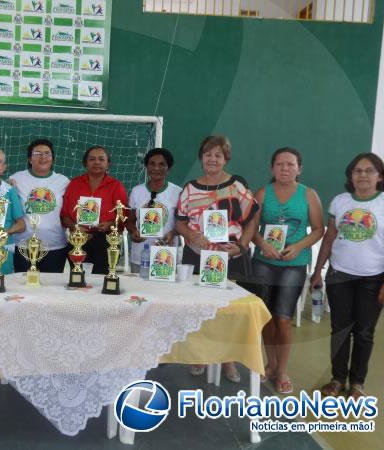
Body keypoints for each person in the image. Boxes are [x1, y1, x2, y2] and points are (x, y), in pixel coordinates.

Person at [175, 135, 259, 383]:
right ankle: (201, 355)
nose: (212, 159)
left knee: (228, 311)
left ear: (226, 159)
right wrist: (192, 234)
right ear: (201, 157)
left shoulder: (236, 187)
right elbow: (179, 221)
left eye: (218, 155)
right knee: (200, 307)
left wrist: (242, 245)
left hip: (228, 257)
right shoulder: (189, 189)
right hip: (197, 255)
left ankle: (227, 359)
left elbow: (254, 215)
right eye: (208, 154)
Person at [249, 148, 324, 394]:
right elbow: (252, 228)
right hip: (264, 262)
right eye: (279, 164)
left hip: (293, 264)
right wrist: (263, 245)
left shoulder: (309, 195)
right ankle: (269, 364)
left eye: (290, 164)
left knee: (283, 319)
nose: (285, 168)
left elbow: (317, 229)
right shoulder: (262, 193)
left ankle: (282, 370)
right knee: (266, 318)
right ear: (272, 168)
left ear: (299, 169)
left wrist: (298, 246)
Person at [311, 153, 384, 399]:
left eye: (369, 170)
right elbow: (329, 237)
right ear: (350, 176)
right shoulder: (340, 202)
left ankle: (357, 383)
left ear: (380, 176)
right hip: (339, 276)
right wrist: (318, 271)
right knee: (340, 329)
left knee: (364, 332)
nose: (363, 175)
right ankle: (337, 379)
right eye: (357, 171)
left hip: (373, 278)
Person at [60, 146, 128, 274]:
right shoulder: (74, 184)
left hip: (106, 241)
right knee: (78, 278)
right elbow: (64, 216)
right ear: (85, 163)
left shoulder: (116, 186)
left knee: (100, 279)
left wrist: (109, 224)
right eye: (92, 159)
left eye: (101, 159)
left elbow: (123, 218)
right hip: (78, 240)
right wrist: (75, 225)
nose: (97, 162)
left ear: (108, 164)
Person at [9, 139, 69, 273]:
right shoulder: (16, 179)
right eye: (37, 153)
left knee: (50, 291)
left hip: (55, 246)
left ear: (52, 159)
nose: (43, 157)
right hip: (23, 246)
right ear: (30, 159)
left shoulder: (63, 181)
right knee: (23, 288)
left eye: (47, 153)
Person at [126, 148, 181, 273]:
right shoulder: (137, 191)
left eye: (162, 164)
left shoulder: (177, 192)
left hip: (166, 255)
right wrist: (133, 231)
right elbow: (130, 220)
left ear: (169, 168)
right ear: (146, 166)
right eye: (152, 164)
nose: (156, 168)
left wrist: (172, 233)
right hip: (140, 255)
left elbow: (183, 223)